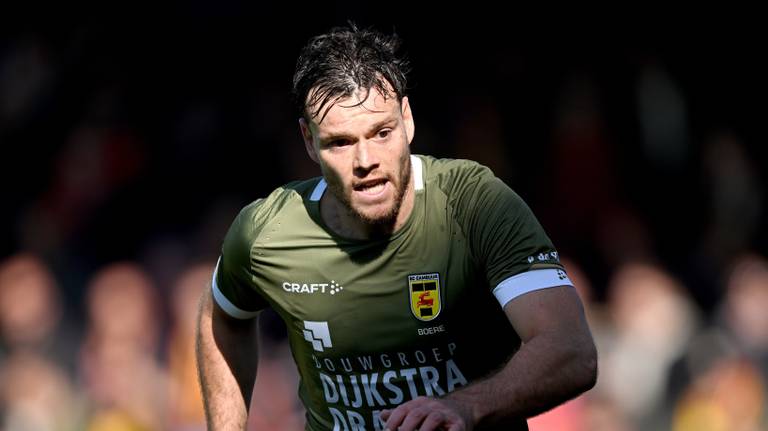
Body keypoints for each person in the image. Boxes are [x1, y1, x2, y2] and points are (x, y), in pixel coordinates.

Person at [196, 23, 597, 431]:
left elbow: (570, 348)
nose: (365, 159)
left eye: (382, 132)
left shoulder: (475, 204)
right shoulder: (267, 233)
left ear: (407, 120)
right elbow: (222, 316)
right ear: (308, 141)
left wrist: (464, 407)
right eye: (340, 142)